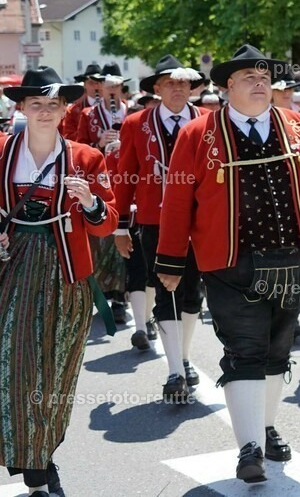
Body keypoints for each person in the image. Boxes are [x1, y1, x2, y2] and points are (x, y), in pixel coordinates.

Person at [155, 45, 300, 484]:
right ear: (227, 85)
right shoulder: (198, 135)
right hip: (230, 266)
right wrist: (171, 260)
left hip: (294, 259)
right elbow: (175, 202)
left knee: (277, 352)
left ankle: (265, 427)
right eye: (248, 76)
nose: (260, 81)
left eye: (264, 74)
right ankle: (248, 447)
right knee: (245, 350)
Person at [0, 67, 118, 497]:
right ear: (22, 109)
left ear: (66, 109)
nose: (45, 112)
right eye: (36, 105)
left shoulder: (88, 158)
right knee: (17, 366)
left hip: (66, 276)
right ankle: (34, 469)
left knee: (54, 374)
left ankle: (43, 455)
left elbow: (108, 223)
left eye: (53, 105)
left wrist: (89, 202)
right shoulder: (0, 152)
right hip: (10, 272)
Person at [113, 55, 209, 402]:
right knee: (163, 287)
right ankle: (174, 370)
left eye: (184, 83)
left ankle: (183, 356)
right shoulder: (136, 123)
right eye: (170, 83)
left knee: (192, 291)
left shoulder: (209, 121)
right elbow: (123, 177)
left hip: (200, 221)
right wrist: (120, 226)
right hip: (154, 220)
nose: (178, 89)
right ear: (157, 88)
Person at [77, 63, 131, 327]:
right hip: (100, 181)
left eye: (115, 87)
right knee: (102, 240)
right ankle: (106, 293)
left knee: (124, 235)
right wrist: (98, 143)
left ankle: (122, 297)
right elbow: (76, 148)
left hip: (126, 179)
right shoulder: (88, 114)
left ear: (121, 88)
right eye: (107, 87)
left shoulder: (133, 113)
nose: (111, 92)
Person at [58, 61, 103, 139]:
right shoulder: (73, 111)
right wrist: (86, 131)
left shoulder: (114, 106)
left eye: (99, 83)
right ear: (85, 85)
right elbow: (68, 136)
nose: (96, 87)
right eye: (91, 83)